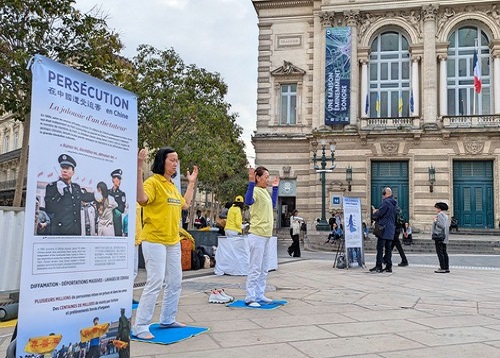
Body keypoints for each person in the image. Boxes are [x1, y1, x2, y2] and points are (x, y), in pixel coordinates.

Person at [132, 147, 198, 340]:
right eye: (172, 160)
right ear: (162, 161)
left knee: (175, 281)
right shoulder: (153, 182)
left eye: (177, 160)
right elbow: (141, 198)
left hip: (172, 241)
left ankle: (167, 319)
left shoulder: (171, 186)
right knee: (155, 281)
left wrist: (191, 184)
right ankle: (140, 325)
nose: (175, 163)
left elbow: (184, 204)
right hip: (154, 240)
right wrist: (138, 168)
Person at [243, 166, 279, 307]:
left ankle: (259, 294)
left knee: (264, 268)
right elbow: (248, 201)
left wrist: (275, 189)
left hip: (266, 235)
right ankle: (250, 297)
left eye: (268, 177)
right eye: (266, 177)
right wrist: (251, 183)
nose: (268, 180)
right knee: (255, 268)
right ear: (258, 178)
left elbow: (273, 204)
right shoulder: (256, 191)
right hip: (257, 234)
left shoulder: (265, 192)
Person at [44, 154, 95, 235]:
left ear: (73, 172)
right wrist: (59, 194)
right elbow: (49, 208)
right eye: (63, 168)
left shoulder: (76, 187)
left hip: (75, 231)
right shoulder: (52, 187)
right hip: (60, 232)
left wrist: (99, 194)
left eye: (67, 168)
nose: (64, 170)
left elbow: (85, 197)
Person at [370, 187, 397, 273]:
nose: (382, 196)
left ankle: (379, 266)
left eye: (383, 194)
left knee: (380, 248)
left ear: (386, 194)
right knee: (388, 249)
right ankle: (389, 267)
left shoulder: (386, 202)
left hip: (383, 229)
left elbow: (380, 214)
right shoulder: (394, 204)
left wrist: (375, 212)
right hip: (391, 229)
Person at [432, 202, 450, 273]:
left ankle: (443, 268)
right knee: (444, 252)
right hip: (444, 236)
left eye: (436, 208)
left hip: (439, 236)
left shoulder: (440, 215)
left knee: (440, 252)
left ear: (439, 208)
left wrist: (435, 221)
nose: (435, 209)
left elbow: (442, 225)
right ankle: (446, 267)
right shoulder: (445, 215)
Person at [109, 169, 127, 236]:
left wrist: (115, 209)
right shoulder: (108, 192)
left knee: (117, 235)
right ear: (113, 180)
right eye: (117, 179)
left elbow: (122, 207)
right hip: (108, 218)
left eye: (120, 179)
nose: (119, 181)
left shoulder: (121, 193)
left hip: (117, 218)